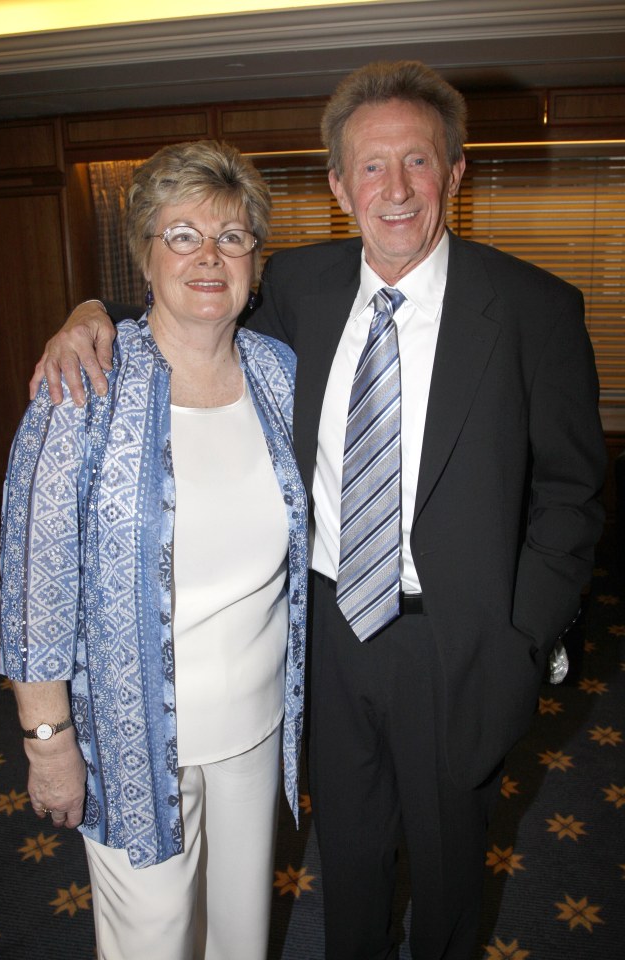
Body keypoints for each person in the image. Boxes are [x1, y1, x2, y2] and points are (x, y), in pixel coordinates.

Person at [30, 60, 606, 960]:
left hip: (461, 648)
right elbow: (187, 288)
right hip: (324, 640)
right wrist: (87, 311)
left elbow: (573, 497)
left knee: (454, 875)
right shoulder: (298, 286)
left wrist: (520, 646)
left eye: (418, 162)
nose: (397, 189)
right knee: (350, 862)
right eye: (371, 167)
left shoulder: (534, 308)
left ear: (455, 172)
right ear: (339, 185)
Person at [0, 139, 308, 960]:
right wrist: (48, 743)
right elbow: (34, 584)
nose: (209, 256)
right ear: (144, 253)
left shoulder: (278, 374)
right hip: (132, 744)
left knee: (240, 936)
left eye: (233, 237)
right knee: (154, 943)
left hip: (257, 726)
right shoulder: (83, 386)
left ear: (255, 260)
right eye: (181, 235)